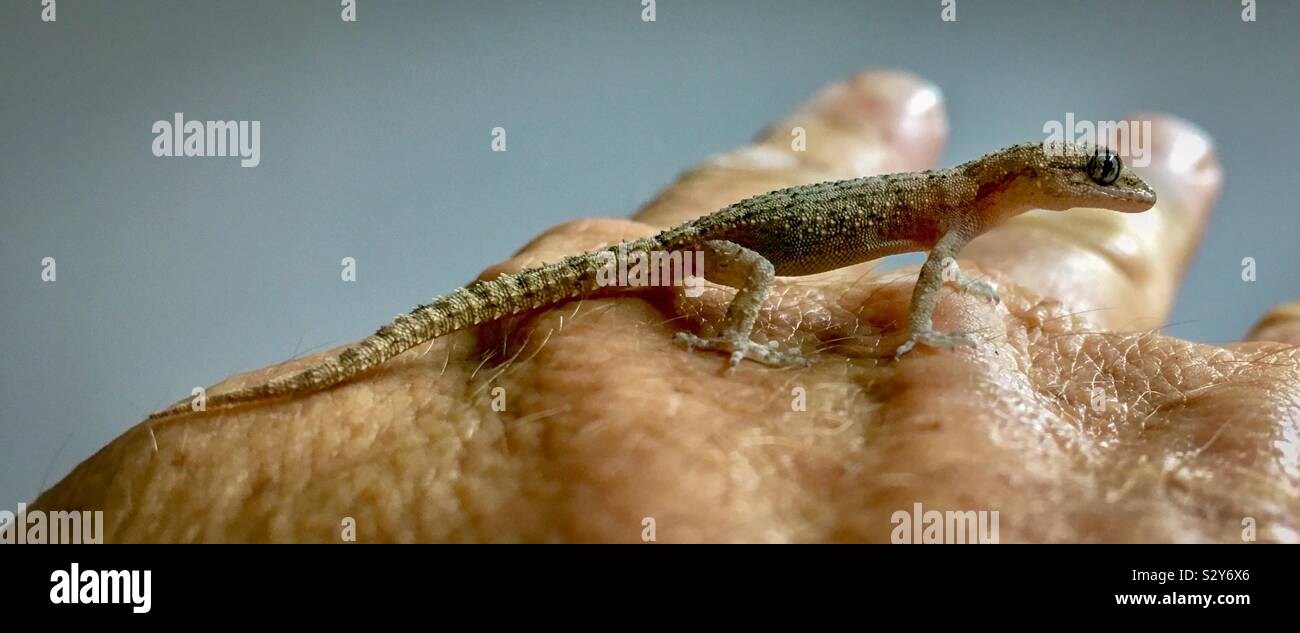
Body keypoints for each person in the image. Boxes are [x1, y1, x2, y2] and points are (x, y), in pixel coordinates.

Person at [35, 70, 1298, 543]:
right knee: (708, 286)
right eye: (1093, 174)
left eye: (1106, 179)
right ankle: (727, 325)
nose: (1110, 193)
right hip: (726, 256)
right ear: (1030, 173)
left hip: (713, 243)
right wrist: (780, 338)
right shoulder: (954, 213)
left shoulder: (962, 213)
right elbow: (918, 296)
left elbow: (931, 273)